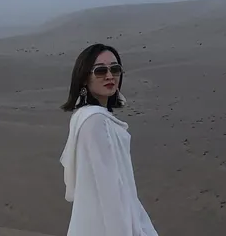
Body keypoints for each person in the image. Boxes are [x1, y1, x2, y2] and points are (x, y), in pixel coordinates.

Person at [59, 43, 159, 236]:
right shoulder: (95, 121)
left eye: (115, 69)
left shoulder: (84, 116)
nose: (109, 76)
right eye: (100, 71)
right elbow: (111, 191)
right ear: (85, 77)